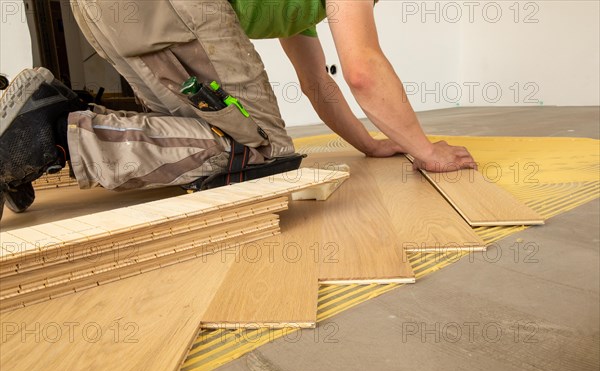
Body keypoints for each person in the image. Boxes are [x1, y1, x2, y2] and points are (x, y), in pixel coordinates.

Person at [0, 0, 475, 220]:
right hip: (168, 8)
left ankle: (34, 132)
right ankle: (52, 130)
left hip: (113, 10)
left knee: (195, 130)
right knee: (257, 153)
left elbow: (317, 82)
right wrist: (426, 150)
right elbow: (363, 70)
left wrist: (369, 143)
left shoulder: (293, 8)